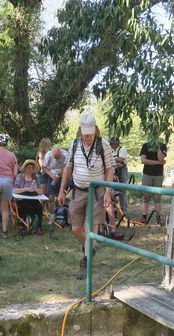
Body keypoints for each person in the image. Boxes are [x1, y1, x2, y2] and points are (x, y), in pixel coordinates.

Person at [58, 113, 115, 279]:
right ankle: (91, 248)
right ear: (81, 132)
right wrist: (61, 190)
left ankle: (85, 262)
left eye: (90, 134)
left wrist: (107, 192)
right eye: (85, 134)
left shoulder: (103, 145)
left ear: (95, 131)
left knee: (91, 228)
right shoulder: (74, 144)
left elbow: (110, 169)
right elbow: (68, 168)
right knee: (76, 228)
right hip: (77, 190)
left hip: (96, 191)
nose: (87, 137)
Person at [13, 159, 44, 235]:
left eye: (32, 168)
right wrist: (26, 189)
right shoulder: (20, 176)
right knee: (25, 206)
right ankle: (23, 226)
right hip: (22, 199)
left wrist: (35, 189)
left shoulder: (35, 177)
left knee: (40, 206)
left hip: (34, 199)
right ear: (25, 168)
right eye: (28, 167)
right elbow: (14, 190)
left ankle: (38, 227)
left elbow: (41, 192)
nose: (30, 169)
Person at [140, 140, 167, 225]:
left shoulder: (162, 145)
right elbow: (143, 160)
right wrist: (158, 163)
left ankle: (158, 217)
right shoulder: (146, 145)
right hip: (147, 174)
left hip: (158, 175)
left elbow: (161, 158)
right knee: (146, 197)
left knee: (157, 197)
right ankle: (144, 216)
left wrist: (158, 146)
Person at [43, 146, 67, 213]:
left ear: (61, 153)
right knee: (51, 197)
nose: (56, 159)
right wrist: (51, 175)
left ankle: (62, 213)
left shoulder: (66, 155)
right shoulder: (48, 155)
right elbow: (44, 167)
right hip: (52, 176)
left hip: (63, 176)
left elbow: (68, 167)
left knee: (64, 195)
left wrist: (63, 173)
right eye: (55, 157)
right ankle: (52, 215)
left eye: (58, 157)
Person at [110, 138, 129, 215]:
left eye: (112, 143)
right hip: (112, 171)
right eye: (111, 143)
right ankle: (114, 211)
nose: (111, 145)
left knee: (123, 191)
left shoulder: (122, 149)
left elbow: (121, 159)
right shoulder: (110, 150)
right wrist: (115, 159)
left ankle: (124, 212)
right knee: (112, 191)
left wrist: (111, 159)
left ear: (117, 144)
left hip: (122, 171)